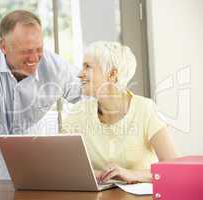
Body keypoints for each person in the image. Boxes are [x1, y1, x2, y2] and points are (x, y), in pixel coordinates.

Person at [0, 10, 81, 192]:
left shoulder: (54, 66)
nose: (34, 58)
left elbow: (87, 94)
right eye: (26, 52)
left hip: (37, 178)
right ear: (4, 46)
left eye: (38, 49)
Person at [62, 41, 177, 183]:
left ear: (111, 74)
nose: (80, 74)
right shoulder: (78, 112)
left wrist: (133, 174)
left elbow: (174, 167)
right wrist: (95, 174)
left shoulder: (145, 109)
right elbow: (61, 164)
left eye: (88, 67)